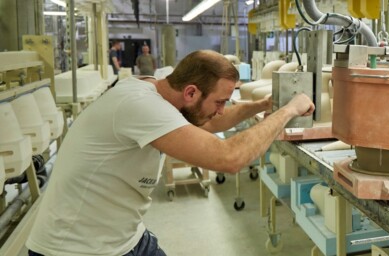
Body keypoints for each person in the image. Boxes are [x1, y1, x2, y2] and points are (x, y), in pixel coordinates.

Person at [26, 50, 315, 256]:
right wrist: (289, 111)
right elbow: (229, 158)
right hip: (74, 248)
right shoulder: (141, 106)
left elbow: (212, 119)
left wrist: (264, 105)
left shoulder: (165, 88)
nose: (222, 109)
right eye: (220, 101)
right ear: (190, 92)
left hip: (125, 238)